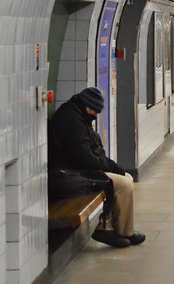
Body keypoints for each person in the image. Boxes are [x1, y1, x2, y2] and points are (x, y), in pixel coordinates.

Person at [47, 87, 145, 248]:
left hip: (74, 170)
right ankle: (109, 229)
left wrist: (114, 168)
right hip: (67, 176)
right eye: (94, 113)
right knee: (123, 183)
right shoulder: (71, 121)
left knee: (125, 178)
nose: (94, 118)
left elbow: (91, 154)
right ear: (88, 108)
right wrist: (113, 168)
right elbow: (86, 159)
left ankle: (119, 229)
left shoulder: (76, 115)